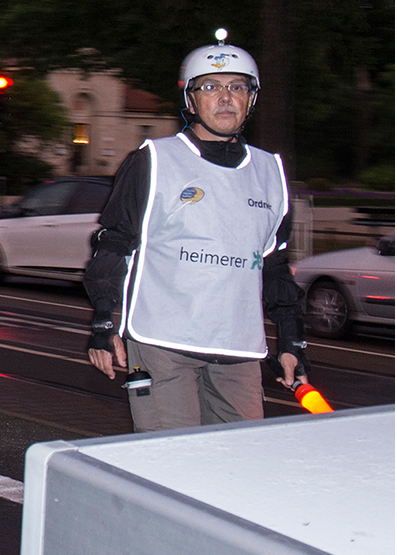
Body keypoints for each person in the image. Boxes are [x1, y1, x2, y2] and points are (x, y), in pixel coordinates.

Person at [84, 31, 305, 429]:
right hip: (162, 343)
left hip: (239, 348)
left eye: (237, 87)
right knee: (172, 456)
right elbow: (115, 244)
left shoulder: (270, 172)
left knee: (238, 457)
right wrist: (104, 322)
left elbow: (274, 263)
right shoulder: (154, 160)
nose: (225, 97)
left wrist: (291, 341)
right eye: (211, 87)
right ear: (191, 99)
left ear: (251, 99)